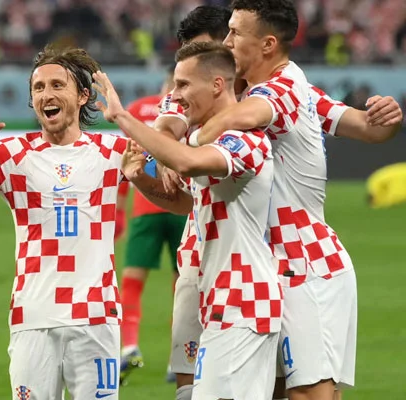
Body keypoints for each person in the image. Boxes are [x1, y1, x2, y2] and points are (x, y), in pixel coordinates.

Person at [194, 1, 403, 399]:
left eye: (236, 33)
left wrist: (191, 142)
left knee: (310, 393)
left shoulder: (283, 88)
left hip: (305, 262)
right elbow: (364, 126)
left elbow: (242, 117)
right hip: (268, 266)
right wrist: (382, 121)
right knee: (270, 389)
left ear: (268, 44)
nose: (227, 41)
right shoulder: (296, 88)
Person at [0, 45, 128, 400]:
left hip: (97, 315)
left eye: (57, 85)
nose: (46, 95)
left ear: (83, 96)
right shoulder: (13, 154)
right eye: (38, 88)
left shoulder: (112, 152)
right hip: (34, 316)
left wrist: (125, 120)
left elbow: (170, 175)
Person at [94, 40, 282, 400]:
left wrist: (122, 118)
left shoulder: (247, 141)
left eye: (183, 85)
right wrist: (140, 179)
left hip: (244, 300)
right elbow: (184, 202)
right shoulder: (206, 141)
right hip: (213, 294)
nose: (175, 96)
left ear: (217, 85)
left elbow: (186, 162)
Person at [118, 66, 188, 384]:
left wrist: (119, 211)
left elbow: (125, 161)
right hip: (181, 204)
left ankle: (130, 346)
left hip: (146, 206)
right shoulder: (189, 111)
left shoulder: (136, 110)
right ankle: (178, 356)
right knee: (182, 284)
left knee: (133, 279)